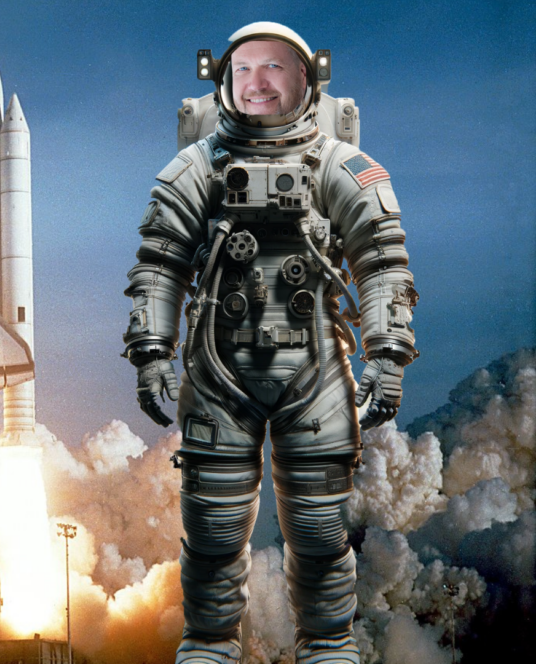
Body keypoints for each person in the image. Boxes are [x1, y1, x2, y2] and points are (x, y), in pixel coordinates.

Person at [122, 22, 419, 664]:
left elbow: (382, 262)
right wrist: (151, 352)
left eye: (274, 67)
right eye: (244, 69)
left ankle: (329, 642)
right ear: (224, 83)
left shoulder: (342, 167)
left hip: (314, 371)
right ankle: (209, 642)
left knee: (319, 531)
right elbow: (160, 262)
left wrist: (387, 356)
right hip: (220, 371)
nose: (257, 82)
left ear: (306, 79)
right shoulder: (196, 168)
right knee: (212, 530)